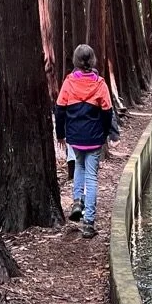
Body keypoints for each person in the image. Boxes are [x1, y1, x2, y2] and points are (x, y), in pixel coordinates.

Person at [54, 44, 113, 239]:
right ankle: (89, 223)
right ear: (93, 60)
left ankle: (77, 201)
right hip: (94, 138)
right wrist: (105, 134)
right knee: (92, 177)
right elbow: (107, 112)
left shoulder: (69, 82)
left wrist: (60, 134)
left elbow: (59, 109)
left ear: (75, 61)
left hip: (75, 137)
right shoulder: (100, 84)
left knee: (79, 166)